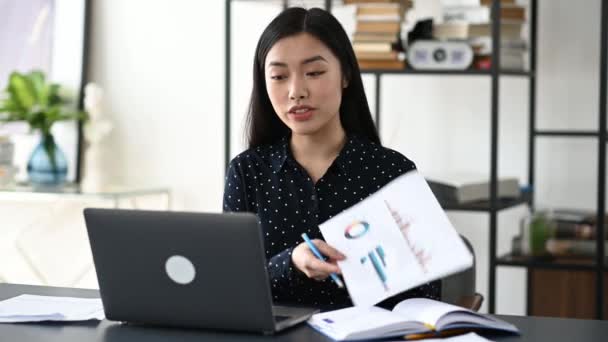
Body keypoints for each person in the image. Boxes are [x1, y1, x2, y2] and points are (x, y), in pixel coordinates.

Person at [223, 7, 440, 310]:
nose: (296, 91)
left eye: (314, 73)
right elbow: (231, 284)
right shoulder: (248, 171)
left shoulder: (393, 172)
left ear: (346, 75)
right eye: (279, 76)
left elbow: (428, 293)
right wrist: (292, 262)